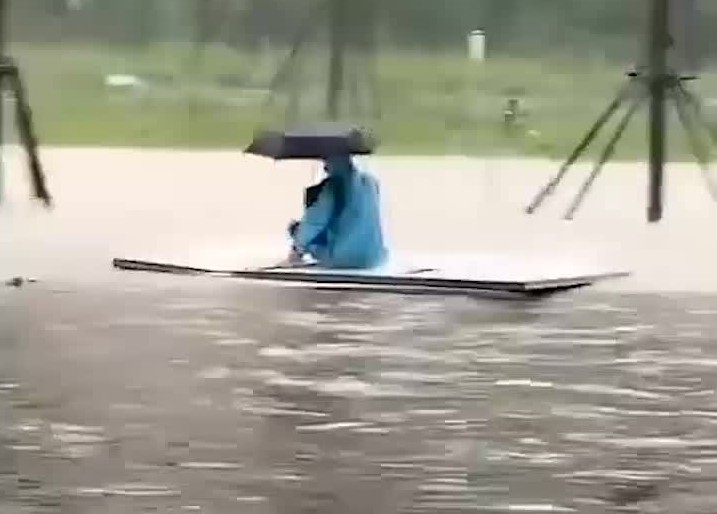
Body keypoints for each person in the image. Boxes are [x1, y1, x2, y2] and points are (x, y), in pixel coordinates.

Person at [285, 154, 388, 269]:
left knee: (296, 229)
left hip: (343, 257)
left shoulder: (333, 186)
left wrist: (297, 248)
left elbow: (314, 222)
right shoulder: (371, 182)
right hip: (375, 256)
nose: (325, 168)